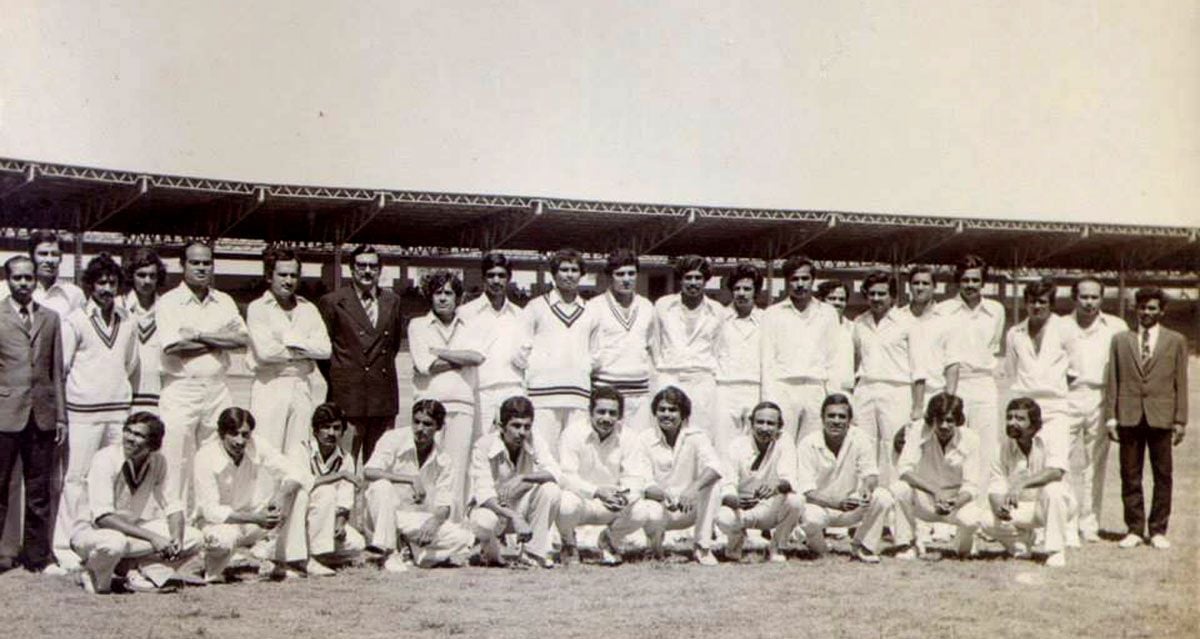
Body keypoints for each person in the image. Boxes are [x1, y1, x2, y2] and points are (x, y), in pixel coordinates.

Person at [53, 254, 139, 571]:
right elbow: (61, 370)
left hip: (117, 411)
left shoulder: (127, 319)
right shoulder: (74, 320)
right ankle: (65, 546)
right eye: (101, 282)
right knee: (75, 479)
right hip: (82, 413)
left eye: (112, 283)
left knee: (112, 478)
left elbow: (129, 363)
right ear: (90, 285)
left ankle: (103, 543)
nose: (107, 288)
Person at [156, 241, 249, 507]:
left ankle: (209, 521)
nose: (201, 268)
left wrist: (199, 335)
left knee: (213, 458)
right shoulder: (169, 302)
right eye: (195, 262)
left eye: (206, 262)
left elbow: (242, 341)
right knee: (177, 459)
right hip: (181, 388)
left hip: (217, 388)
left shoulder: (224, 301)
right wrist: (220, 339)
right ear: (182, 265)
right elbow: (174, 347)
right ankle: (176, 524)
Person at [69, 412, 202, 593]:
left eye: (139, 435)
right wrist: (153, 538)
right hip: (91, 533)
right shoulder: (105, 458)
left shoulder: (158, 461)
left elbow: (173, 504)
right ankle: (90, 569)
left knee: (193, 538)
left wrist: (176, 537)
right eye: (128, 431)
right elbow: (102, 518)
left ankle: (139, 569)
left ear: (153, 443)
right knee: (114, 545)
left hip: (131, 531)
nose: (130, 438)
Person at [1106, 287, 1188, 550]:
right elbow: (1113, 381)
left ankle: (1158, 529)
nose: (1146, 312)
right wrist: (1111, 417)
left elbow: (1181, 383)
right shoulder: (1120, 340)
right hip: (1129, 416)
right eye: (1142, 307)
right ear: (1135, 309)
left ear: (1161, 311)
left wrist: (1180, 420)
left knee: (1163, 475)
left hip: (1161, 417)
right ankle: (1134, 528)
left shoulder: (1175, 341)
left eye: (1152, 308)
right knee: (1130, 474)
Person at [0, 256, 67, 574]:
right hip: (5, 413)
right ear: (7, 280)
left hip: (41, 415)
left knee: (39, 490)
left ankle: (37, 557)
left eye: (29, 278)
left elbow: (56, 371)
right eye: (18, 278)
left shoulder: (50, 318)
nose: (24, 283)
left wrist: (61, 417)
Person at [192, 407, 311, 582]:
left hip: (253, 521)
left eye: (245, 434)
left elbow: (296, 472)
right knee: (224, 539)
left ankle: (286, 561)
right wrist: (255, 518)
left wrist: (279, 496)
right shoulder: (205, 456)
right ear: (221, 433)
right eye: (234, 434)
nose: (240, 441)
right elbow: (211, 511)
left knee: (297, 493)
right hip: (218, 525)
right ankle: (215, 567)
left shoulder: (257, 443)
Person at [608, 386, 723, 566]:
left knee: (713, 486)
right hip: (662, 507)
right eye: (662, 409)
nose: (666, 414)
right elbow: (644, 482)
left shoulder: (697, 436)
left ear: (683, 414)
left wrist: (692, 490)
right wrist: (664, 496)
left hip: (690, 506)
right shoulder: (645, 439)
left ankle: (702, 547)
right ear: (655, 412)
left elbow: (715, 467)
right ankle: (654, 547)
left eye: (672, 410)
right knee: (648, 508)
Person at [407, 269, 484, 519]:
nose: (442, 298)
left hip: (462, 405)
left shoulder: (471, 324)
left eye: (448, 293)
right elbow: (423, 365)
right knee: (430, 467)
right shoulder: (417, 325)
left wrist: (441, 351)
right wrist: (460, 358)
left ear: (458, 298)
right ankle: (423, 525)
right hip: (429, 405)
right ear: (430, 296)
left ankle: (455, 527)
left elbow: (477, 357)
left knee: (457, 469)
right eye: (438, 293)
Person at [363, 400, 474, 571]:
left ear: (439, 427)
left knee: (462, 538)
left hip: (412, 521)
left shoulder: (444, 460)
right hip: (382, 515)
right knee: (381, 486)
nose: (420, 428)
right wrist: (409, 479)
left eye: (427, 424)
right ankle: (390, 551)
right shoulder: (393, 438)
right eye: (416, 422)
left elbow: (444, 505)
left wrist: (433, 522)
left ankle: (412, 551)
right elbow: (369, 472)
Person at [318, 244, 404, 462]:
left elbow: (391, 347)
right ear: (351, 268)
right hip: (348, 397)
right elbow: (324, 353)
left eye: (373, 266)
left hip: (382, 398)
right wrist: (345, 377)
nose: (367, 271)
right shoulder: (333, 301)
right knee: (345, 462)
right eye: (361, 265)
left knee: (378, 464)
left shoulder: (392, 301)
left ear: (380, 270)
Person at [245, 248, 332, 457]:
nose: (288, 280)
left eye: (293, 275)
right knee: (267, 451)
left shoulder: (308, 308)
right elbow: (266, 353)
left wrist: (289, 344)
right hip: (269, 384)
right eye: (282, 274)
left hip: (301, 385)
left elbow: (325, 349)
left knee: (298, 452)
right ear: (269, 276)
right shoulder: (258, 308)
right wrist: (304, 349)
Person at [1061, 276, 1127, 542]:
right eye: (1084, 297)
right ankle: (1063, 521)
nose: (1089, 303)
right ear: (1074, 297)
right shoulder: (1061, 326)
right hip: (1067, 396)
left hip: (1100, 397)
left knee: (1094, 464)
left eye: (1094, 297)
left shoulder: (1116, 327)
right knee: (1060, 461)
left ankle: (1089, 523)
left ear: (1102, 298)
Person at [935, 255, 1005, 504]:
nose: (970, 285)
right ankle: (947, 508)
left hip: (985, 383)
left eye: (976, 280)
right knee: (954, 446)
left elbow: (993, 347)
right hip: (955, 382)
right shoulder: (942, 311)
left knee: (986, 449)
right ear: (957, 282)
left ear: (983, 282)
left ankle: (981, 510)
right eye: (965, 280)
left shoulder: (996, 310)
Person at [888, 393, 988, 559]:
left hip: (954, 502)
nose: (944, 426)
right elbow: (904, 470)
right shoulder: (917, 430)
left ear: (958, 420)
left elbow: (971, 486)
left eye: (950, 421)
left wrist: (954, 503)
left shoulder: (971, 439)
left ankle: (961, 546)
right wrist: (934, 491)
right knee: (899, 489)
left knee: (972, 519)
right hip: (925, 498)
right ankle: (907, 544)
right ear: (931, 419)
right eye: (939, 420)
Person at [795, 394, 893, 563]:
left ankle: (863, 546)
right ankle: (817, 547)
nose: (836, 421)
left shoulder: (860, 438)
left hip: (851, 505)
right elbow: (806, 492)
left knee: (882, 497)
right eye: (831, 416)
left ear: (849, 420)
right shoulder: (808, 443)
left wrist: (867, 489)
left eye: (842, 416)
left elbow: (871, 473)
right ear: (822, 418)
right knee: (810, 517)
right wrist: (837, 504)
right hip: (819, 508)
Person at [852, 270, 927, 490]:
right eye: (872, 294)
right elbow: (855, 361)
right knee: (863, 447)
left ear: (893, 296)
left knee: (893, 449)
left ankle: (894, 510)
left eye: (882, 294)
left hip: (896, 390)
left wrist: (918, 407)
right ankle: (864, 507)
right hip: (865, 389)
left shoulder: (907, 323)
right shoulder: (859, 322)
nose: (876, 299)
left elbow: (919, 369)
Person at [515, 248, 592, 459]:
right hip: (543, 396)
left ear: (581, 274)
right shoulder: (536, 307)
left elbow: (598, 351)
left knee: (573, 457)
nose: (569, 275)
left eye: (574, 270)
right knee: (543, 456)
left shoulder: (590, 310)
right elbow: (520, 350)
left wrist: (582, 369)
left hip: (578, 395)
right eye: (564, 269)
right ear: (553, 274)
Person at [468, 396, 562, 568]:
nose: (522, 432)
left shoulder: (534, 439)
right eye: (516, 425)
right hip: (493, 511)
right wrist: (514, 516)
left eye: (527, 426)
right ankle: (485, 549)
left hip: (520, 509)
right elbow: (484, 493)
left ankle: (532, 554)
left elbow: (555, 472)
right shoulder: (483, 445)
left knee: (551, 490)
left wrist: (523, 477)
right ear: (501, 426)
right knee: (483, 521)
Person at [556, 386, 643, 566]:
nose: (606, 418)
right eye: (601, 412)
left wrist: (623, 498)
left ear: (620, 416)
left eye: (612, 413)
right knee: (564, 503)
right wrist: (596, 492)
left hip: (612, 502)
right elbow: (566, 477)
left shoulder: (629, 437)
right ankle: (569, 544)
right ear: (590, 412)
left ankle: (609, 540)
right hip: (582, 501)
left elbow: (634, 478)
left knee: (642, 511)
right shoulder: (572, 433)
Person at [986, 398, 1077, 568]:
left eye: (1020, 419)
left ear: (1034, 424)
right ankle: (1021, 543)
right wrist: (1000, 509)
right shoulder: (1002, 447)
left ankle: (1056, 551)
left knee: (1054, 489)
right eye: (1009, 417)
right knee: (983, 519)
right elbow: (995, 486)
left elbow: (1056, 472)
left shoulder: (1052, 438)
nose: (1012, 422)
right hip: (1021, 509)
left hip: (1053, 506)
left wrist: (1021, 485)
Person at [760, 256, 838, 443]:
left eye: (805, 279)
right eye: (794, 279)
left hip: (816, 388)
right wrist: (768, 400)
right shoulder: (773, 313)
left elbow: (834, 358)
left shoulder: (828, 313)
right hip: (784, 387)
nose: (800, 284)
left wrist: (834, 397)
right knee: (781, 444)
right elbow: (767, 360)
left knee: (812, 445)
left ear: (813, 280)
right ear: (787, 282)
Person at [651, 255, 727, 447]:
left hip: (702, 379)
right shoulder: (663, 306)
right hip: (670, 375)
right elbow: (655, 343)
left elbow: (718, 348)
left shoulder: (717, 310)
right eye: (688, 277)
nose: (693, 283)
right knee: (665, 431)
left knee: (701, 433)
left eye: (698, 278)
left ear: (706, 280)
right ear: (680, 279)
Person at [716, 401, 803, 563]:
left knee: (796, 501)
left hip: (769, 508)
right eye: (760, 422)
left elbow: (789, 478)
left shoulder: (785, 442)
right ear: (751, 423)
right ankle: (735, 543)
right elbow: (727, 484)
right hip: (741, 509)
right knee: (723, 517)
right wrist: (735, 501)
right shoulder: (736, 446)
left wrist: (775, 487)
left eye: (770, 423)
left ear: (779, 427)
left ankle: (777, 547)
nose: (764, 428)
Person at [290, 403, 365, 575]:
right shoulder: (301, 450)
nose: (331, 433)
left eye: (337, 428)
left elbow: (346, 497)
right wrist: (338, 476)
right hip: (299, 517)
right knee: (326, 491)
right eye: (325, 427)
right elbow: (301, 483)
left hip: (325, 520)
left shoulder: (345, 458)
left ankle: (308, 555)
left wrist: (340, 522)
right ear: (315, 430)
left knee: (357, 544)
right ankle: (314, 557)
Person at [587, 249, 655, 435]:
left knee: (638, 445)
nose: (626, 279)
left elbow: (650, 348)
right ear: (610, 276)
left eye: (631, 273)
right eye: (620, 274)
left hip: (639, 390)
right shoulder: (594, 306)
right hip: (607, 389)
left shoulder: (647, 306)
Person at [458, 252, 524, 432]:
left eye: (501, 275)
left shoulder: (520, 315)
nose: (496, 280)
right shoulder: (465, 313)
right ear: (483, 278)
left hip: (512, 389)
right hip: (480, 391)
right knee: (479, 448)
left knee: (511, 448)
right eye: (491, 275)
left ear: (509, 278)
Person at [1004, 278, 1073, 442]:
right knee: (1024, 461)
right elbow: (1011, 371)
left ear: (1051, 304)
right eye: (1032, 302)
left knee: (1054, 461)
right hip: (1024, 407)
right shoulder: (1014, 333)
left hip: (1056, 407)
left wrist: (1052, 385)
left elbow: (1075, 370)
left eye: (1042, 302)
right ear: (1025, 303)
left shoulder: (1066, 329)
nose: (1036, 306)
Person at [714, 263, 764, 460]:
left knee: (751, 445)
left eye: (747, 289)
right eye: (737, 288)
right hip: (725, 388)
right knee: (723, 445)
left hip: (755, 388)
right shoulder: (719, 318)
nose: (741, 293)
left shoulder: (766, 319)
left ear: (756, 292)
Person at [122, 248, 168, 414]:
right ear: (131, 276)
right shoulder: (118, 307)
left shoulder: (168, 309)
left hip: (159, 396)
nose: (147, 281)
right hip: (124, 398)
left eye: (152, 275)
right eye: (141, 275)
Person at [814, 279, 855, 395]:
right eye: (832, 298)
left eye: (842, 299)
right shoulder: (813, 327)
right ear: (821, 300)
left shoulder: (853, 328)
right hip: (819, 389)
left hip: (844, 389)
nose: (837, 302)